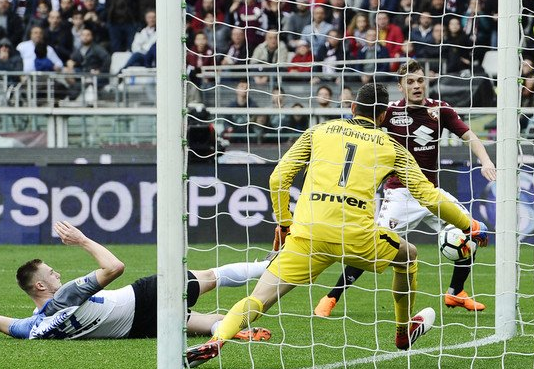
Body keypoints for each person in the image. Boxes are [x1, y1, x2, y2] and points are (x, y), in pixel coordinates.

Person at [186, 82, 488, 366]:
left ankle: (217, 340)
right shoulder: (393, 147)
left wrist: (284, 224)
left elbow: (278, 178)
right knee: (408, 256)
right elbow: (428, 196)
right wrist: (468, 225)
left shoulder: (318, 131)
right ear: (383, 116)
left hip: (308, 235)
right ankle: (403, 330)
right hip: (356, 237)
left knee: (259, 298)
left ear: (353, 107)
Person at [314, 59, 495, 318]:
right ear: (401, 86)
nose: (416, 85)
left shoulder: (440, 110)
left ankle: (456, 292)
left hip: (431, 193)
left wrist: (486, 161)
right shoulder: (389, 113)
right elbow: (361, 132)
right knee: (372, 247)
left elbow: (469, 136)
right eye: (410, 82)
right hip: (401, 193)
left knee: (471, 231)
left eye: (420, 80)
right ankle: (332, 297)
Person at [0, 221, 271, 341]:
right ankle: (268, 265)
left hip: (138, 328)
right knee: (211, 277)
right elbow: (115, 267)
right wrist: (81, 240)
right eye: (51, 273)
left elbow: (10, 326)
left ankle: (224, 330)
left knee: (214, 321)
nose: (57, 274)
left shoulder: (35, 328)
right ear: (40, 286)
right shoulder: (64, 296)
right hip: (143, 297)